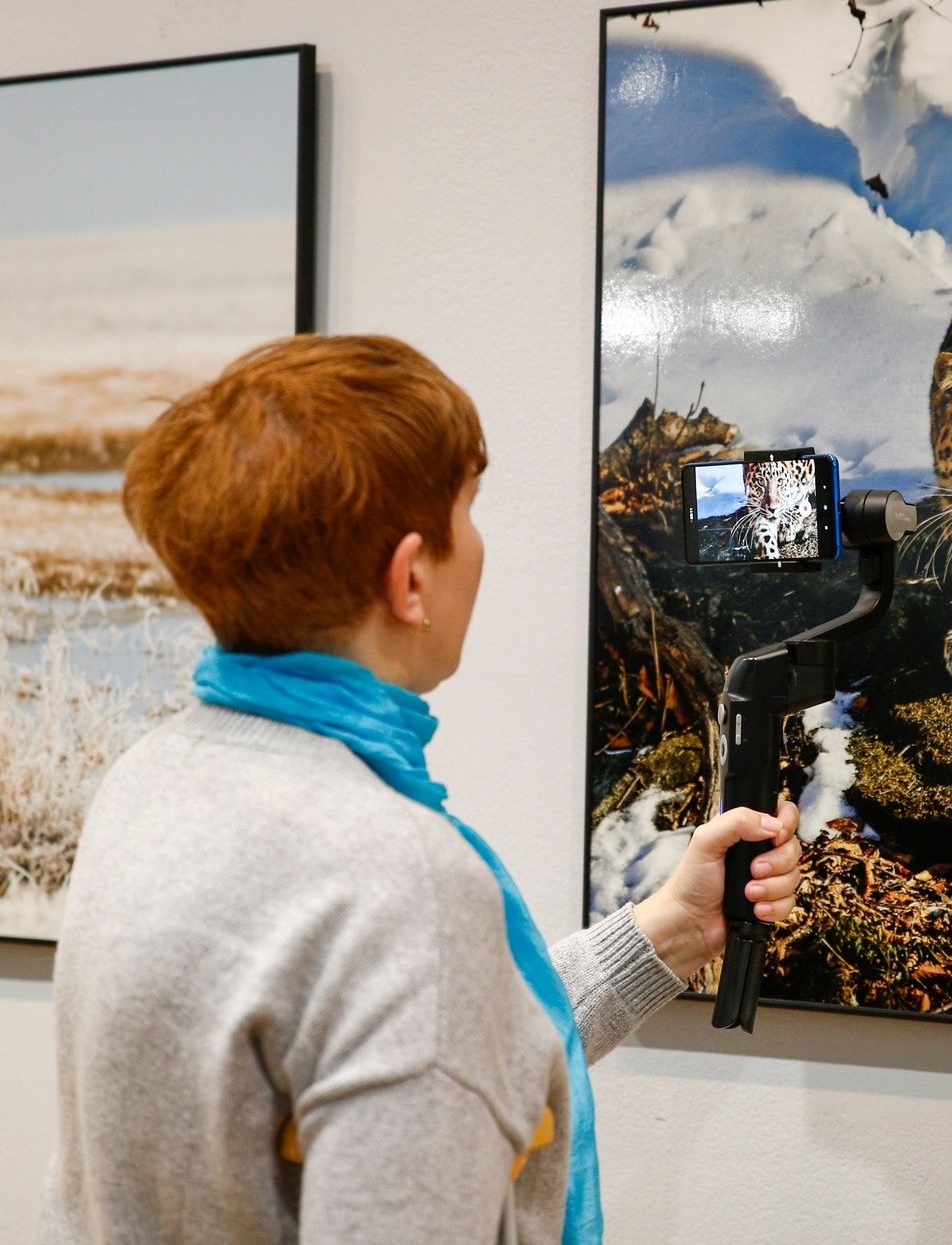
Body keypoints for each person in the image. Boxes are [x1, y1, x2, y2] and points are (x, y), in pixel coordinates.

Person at [39, 334, 801, 1244]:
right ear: (409, 578)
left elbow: (426, 1044)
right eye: (468, 510)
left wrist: (674, 928)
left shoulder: (154, 780)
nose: (479, 547)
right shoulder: (401, 882)